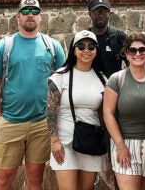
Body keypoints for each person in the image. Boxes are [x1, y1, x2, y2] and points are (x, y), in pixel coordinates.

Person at [0, 0, 67, 190]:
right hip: (11, 121)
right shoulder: (5, 46)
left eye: (34, 11)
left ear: (41, 17)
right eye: (25, 11)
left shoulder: (52, 47)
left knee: (35, 178)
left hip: (41, 123)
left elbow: (63, 83)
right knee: (4, 178)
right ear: (18, 17)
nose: (30, 15)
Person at [47, 30, 107, 190]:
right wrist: (54, 140)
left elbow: (104, 113)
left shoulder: (102, 78)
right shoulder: (61, 76)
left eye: (91, 46)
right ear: (74, 50)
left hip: (91, 142)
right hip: (65, 142)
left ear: (96, 50)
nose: (86, 50)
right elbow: (51, 109)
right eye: (81, 46)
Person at [103, 33, 145, 190]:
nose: (137, 54)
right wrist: (120, 146)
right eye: (132, 50)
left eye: (142, 50)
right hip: (126, 144)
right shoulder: (117, 79)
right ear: (126, 54)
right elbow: (108, 113)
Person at [87, 0, 127, 76]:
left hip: (113, 86)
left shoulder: (119, 38)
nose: (101, 15)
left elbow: (132, 64)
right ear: (90, 14)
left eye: (105, 12)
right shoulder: (83, 39)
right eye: (96, 12)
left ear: (110, 14)